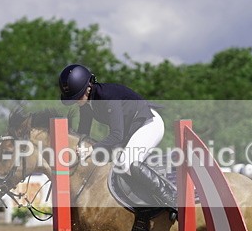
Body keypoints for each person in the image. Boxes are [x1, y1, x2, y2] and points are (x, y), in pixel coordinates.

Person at [58, 63, 176, 211]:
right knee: (109, 162)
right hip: (131, 130)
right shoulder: (86, 103)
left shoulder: (107, 97)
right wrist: (76, 147)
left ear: (88, 87)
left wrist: (91, 149)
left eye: (77, 96)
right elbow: (83, 132)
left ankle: (171, 199)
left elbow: (116, 135)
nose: (76, 100)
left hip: (148, 124)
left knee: (126, 163)